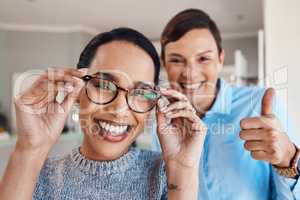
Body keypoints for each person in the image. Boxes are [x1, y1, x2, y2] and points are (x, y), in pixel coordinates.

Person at [0, 28, 207, 200]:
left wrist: (182, 169)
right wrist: (29, 148)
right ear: (78, 88)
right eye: (104, 84)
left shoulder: (168, 176)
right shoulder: (36, 177)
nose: (119, 110)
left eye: (141, 92)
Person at [152, 9, 300, 199]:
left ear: (220, 59)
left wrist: (289, 160)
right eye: (176, 60)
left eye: (203, 58)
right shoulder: (162, 121)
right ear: (164, 63)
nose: (190, 73)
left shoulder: (258, 105)